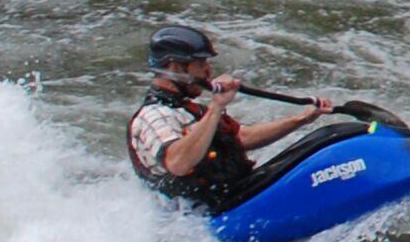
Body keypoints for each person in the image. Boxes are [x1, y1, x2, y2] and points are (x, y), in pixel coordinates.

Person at [129, 20, 336, 210]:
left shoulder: (191, 110)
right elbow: (178, 163)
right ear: (175, 67)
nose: (208, 72)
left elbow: (240, 138)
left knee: (324, 139)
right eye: (201, 64)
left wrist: (301, 119)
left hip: (234, 197)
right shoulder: (152, 116)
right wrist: (216, 107)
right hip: (205, 219)